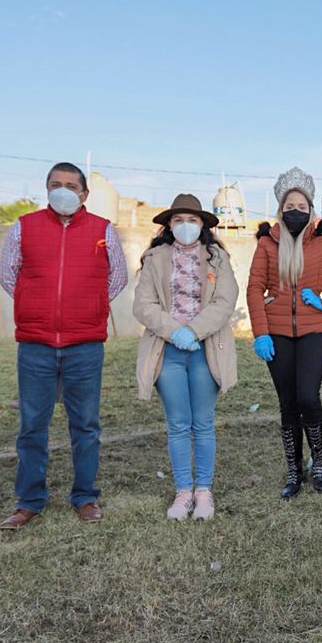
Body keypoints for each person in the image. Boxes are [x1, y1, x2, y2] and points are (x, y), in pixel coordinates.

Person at [0, 162, 129, 529]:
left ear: (84, 194)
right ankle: (30, 500)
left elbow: (117, 276)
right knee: (32, 425)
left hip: (84, 343)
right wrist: (32, 301)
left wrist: (91, 305)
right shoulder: (26, 226)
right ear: (47, 189)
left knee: (85, 425)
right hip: (36, 343)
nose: (63, 190)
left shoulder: (103, 229)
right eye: (55, 184)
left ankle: (85, 497)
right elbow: (9, 274)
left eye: (71, 185)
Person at [247, 168, 322, 498]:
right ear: (280, 210)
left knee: (308, 398)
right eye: (289, 206)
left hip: (314, 330)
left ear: (310, 210)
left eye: (301, 206)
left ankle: (320, 461)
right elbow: (255, 288)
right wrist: (260, 333)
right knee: (287, 403)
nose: (294, 211)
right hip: (277, 332)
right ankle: (294, 470)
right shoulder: (268, 244)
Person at [133, 194, 239, 521]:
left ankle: (204, 491)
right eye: (178, 220)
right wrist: (174, 331)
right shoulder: (155, 258)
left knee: (203, 422)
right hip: (168, 350)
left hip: (206, 348)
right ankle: (183, 491)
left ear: (203, 224)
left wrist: (193, 331)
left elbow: (225, 301)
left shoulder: (217, 258)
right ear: (169, 225)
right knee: (178, 423)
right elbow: (143, 305)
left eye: (192, 220)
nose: (185, 226)